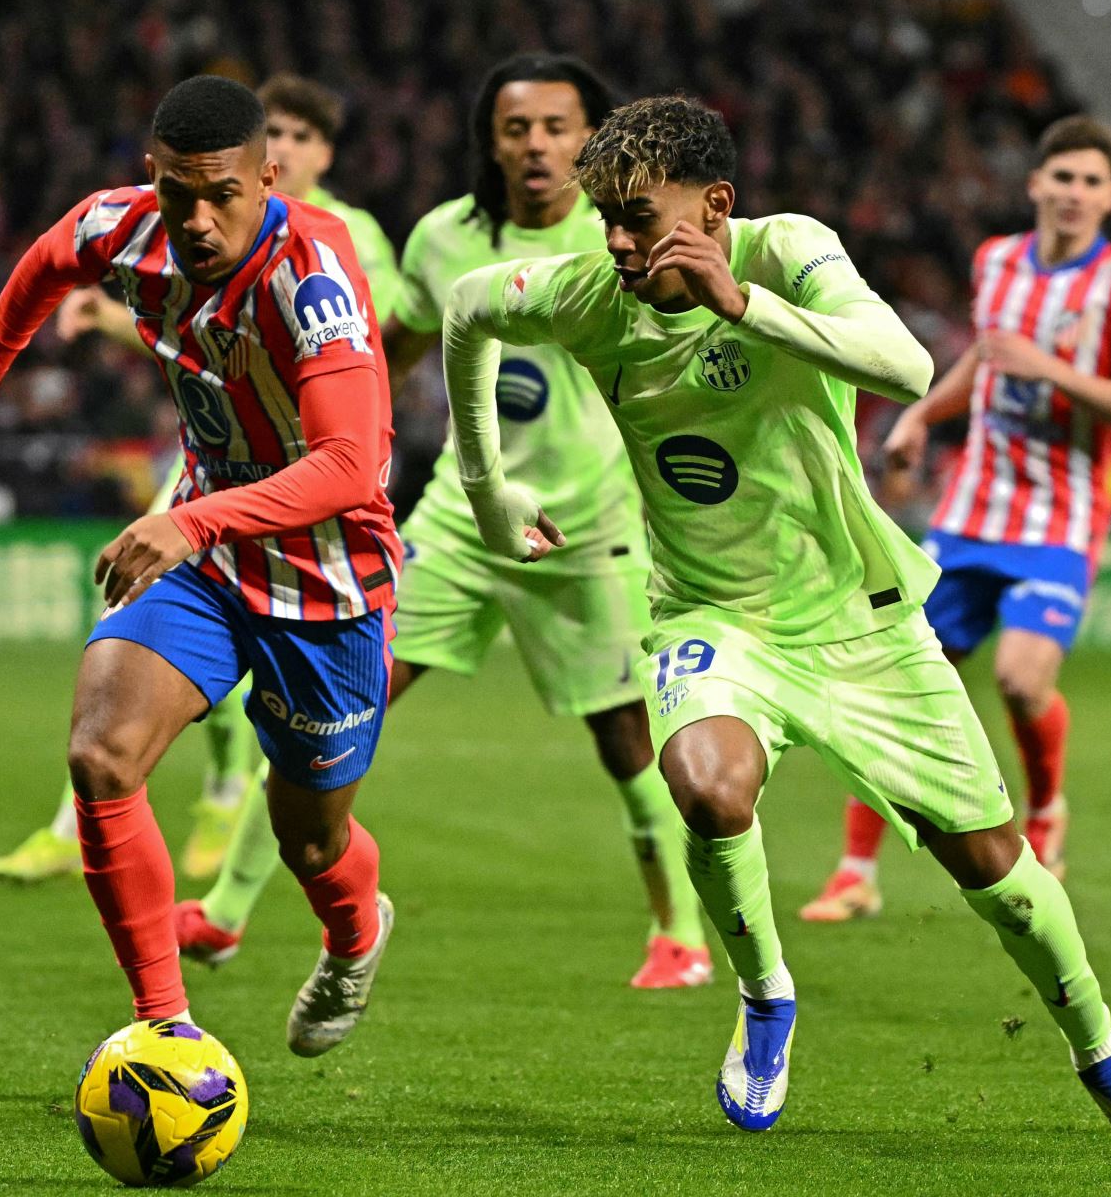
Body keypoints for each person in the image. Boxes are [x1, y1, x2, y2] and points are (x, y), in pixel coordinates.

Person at [439, 94, 1111, 1137]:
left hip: (861, 621)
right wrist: (488, 489)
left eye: (640, 218)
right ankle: (764, 995)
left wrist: (740, 303)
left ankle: (1100, 1044)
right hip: (715, 617)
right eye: (605, 215)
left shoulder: (789, 253)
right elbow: (470, 311)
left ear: (716, 206)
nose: (616, 240)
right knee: (705, 783)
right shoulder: (586, 296)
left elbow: (908, 367)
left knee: (994, 871)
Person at [171, 53, 713, 990]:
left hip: (587, 523)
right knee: (338, 695)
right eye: (517, 128)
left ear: (592, 137)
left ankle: (679, 933)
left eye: (556, 126)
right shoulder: (443, 239)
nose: (536, 145)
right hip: (459, 518)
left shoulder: (625, 236)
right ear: (490, 141)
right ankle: (223, 914)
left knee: (627, 735)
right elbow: (394, 350)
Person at [0, 76, 399, 1055]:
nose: (195, 218)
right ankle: (165, 1028)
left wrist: (195, 523)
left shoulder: (312, 275)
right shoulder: (126, 225)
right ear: (153, 177)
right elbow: (43, 264)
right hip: (213, 553)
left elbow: (352, 466)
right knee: (102, 755)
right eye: (176, 192)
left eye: (221, 193)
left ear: (267, 177)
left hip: (326, 575)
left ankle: (355, 938)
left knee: (310, 839)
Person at [800, 115, 1111, 922]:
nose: (1074, 194)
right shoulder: (997, 260)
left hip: (1061, 518)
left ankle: (1045, 815)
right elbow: (986, 355)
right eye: (1062, 178)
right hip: (971, 512)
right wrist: (921, 416)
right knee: (898, 682)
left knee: (1019, 678)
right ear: (1036, 184)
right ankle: (855, 870)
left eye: (1091, 183)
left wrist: (1052, 370)